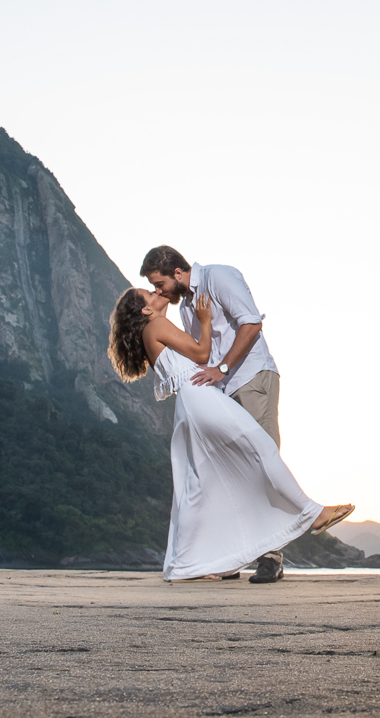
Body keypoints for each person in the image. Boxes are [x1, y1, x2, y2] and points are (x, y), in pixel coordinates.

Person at [107, 287, 354, 583]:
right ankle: (311, 513)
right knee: (259, 445)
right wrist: (205, 319)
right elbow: (202, 353)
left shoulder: (150, 332)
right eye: (149, 293)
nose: (156, 292)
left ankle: (187, 565)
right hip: (200, 395)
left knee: (200, 484)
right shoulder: (157, 325)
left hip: (190, 402)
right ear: (146, 310)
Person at [140, 245, 293, 581]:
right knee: (231, 472)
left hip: (251, 378)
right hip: (221, 392)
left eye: (159, 283)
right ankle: (232, 556)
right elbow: (200, 354)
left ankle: (271, 558)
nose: (158, 291)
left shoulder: (219, 277)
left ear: (177, 273)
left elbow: (252, 324)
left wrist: (222, 368)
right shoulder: (188, 308)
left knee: (263, 459)